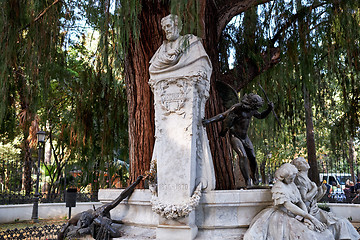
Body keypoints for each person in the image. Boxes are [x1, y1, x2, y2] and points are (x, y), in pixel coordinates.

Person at [244, 163, 334, 240]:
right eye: (290, 178)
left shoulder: (292, 184)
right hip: (282, 215)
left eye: (293, 178)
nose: (292, 180)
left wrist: (307, 218)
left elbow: (300, 202)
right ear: (283, 177)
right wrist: (311, 217)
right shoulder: (278, 187)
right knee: (306, 235)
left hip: (296, 214)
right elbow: (289, 206)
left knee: (318, 233)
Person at [202, 93, 273, 187]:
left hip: (245, 137)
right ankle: (247, 181)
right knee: (242, 155)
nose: (256, 109)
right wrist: (209, 121)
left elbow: (260, 116)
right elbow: (222, 116)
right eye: (256, 106)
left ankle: (254, 178)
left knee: (253, 157)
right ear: (251, 103)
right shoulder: (237, 108)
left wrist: (269, 109)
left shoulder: (252, 110)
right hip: (235, 136)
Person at [292, 157, 360, 240]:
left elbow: (314, 199)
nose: (305, 162)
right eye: (302, 162)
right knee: (341, 222)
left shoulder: (306, 178)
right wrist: (314, 189)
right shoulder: (299, 179)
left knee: (342, 221)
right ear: (298, 167)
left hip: (314, 209)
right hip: (309, 211)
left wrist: (322, 192)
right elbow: (304, 198)